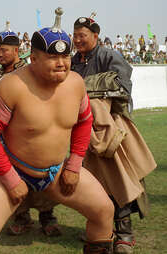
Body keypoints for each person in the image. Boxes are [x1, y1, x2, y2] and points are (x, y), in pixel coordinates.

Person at [0, 8, 114, 254]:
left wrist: (74, 164)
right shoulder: (9, 86)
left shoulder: (75, 84)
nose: (61, 63)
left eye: (65, 57)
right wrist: (9, 178)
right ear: (33, 58)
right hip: (13, 169)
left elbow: (84, 122)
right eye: (52, 57)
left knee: (104, 212)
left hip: (57, 170)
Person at [72, 14, 157, 254]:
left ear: (95, 36)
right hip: (82, 132)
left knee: (119, 180)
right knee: (93, 184)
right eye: (75, 35)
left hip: (111, 130)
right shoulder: (72, 61)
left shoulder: (110, 56)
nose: (77, 40)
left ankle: (125, 235)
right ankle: (101, 228)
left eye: (82, 35)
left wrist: (84, 88)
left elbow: (120, 85)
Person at [0, 30, 60, 236]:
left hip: (33, 136)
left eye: (4, 50)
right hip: (6, 141)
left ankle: (47, 217)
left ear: (16, 50)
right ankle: (21, 217)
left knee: (42, 176)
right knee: (14, 180)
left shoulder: (32, 73)